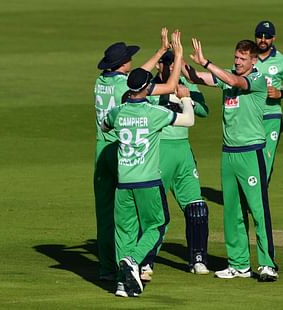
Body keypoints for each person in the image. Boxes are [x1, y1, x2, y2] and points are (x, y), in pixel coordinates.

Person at [101, 31, 195, 297]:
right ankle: (134, 261)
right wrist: (185, 98)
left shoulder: (119, 112)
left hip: (123, 183)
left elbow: (104, 124)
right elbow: (188, 120)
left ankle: (122, 282)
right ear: (146, 88)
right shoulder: (154, 113)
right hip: (148, 181)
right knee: (158, 224)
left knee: (124, 233)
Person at [185, 38, 278, 281]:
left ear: (254, 60)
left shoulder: (257, 80)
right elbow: (197, 78)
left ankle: (268, 264)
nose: (237, 62)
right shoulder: (227, 75)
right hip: (229, 153)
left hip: (251, 152)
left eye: (242, 59)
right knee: (232, 212)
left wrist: (206, 61)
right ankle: (239, 265)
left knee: (258, 210)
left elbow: (235, 81)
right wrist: (175, 59)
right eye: (236, 57)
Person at [93, 28, 171, 281]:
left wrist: (159, 52)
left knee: (106, 214)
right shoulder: (124, 89)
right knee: (133, 213)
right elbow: (148, 83)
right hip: (121, 151)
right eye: (129, 58)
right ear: (123, 64)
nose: (132, 61)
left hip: (100, 149)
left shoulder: (102, 82)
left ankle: (107, 268)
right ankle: (135, 263)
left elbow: (137, 76)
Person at [140, 50, 210, 280]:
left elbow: (203, 112)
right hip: (158, 152)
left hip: (183, 153)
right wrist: (170, 96)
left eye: (174, 64)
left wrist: (187, 95)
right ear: (159, 65)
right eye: (166, 64)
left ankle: (198, 259)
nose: (170, 68)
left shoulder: (185, 84)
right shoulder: (149, 87)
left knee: (197, 207)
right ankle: (145, 260)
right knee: (155, 212)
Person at [253, 21, 283, 182]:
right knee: (249, 158)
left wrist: (280, 93)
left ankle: (258, 200)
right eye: (260, 36)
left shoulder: (282, 62)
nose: (263, 40)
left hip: (271, 116)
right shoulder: (247, 58)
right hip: (250, 115)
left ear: (273, 38)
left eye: (267, 37)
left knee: (266, 159)